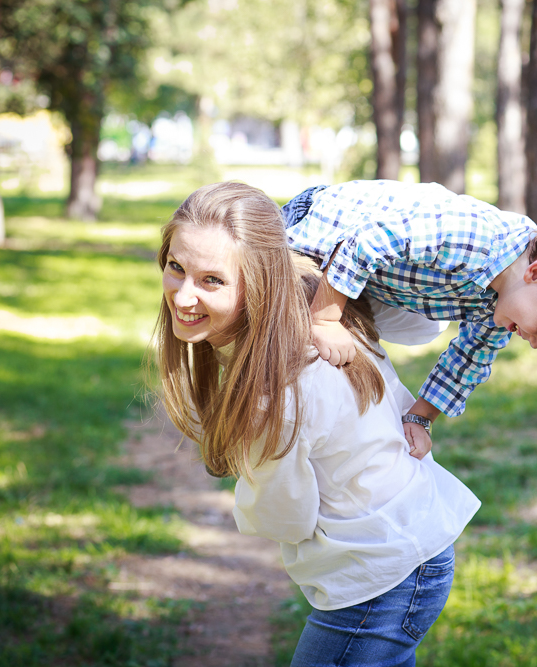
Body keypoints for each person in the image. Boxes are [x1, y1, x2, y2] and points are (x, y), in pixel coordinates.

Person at [152, 182, 480, 666]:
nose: (183, 296)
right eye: (176, 267)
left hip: (380, 580)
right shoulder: (319, 304)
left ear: (260, 281)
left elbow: (285, 516)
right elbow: (422, 326)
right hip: (406, 547)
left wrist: (252, 491)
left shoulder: (275, 392)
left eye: (212, 281)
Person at [280, 180, 537, 459]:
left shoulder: (502, 304)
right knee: (298, 336)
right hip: (313, 229)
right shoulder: (476, 239)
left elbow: (467, 361)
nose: (536, 341)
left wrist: (420, 418)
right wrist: (325, 320)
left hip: (367, 279)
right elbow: (368, 240)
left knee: (421, 333)